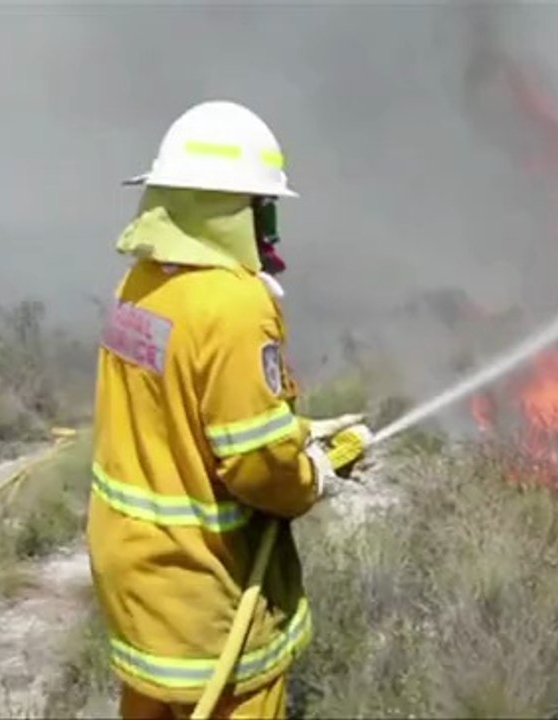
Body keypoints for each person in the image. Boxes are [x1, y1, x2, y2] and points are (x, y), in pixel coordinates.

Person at [86, 99, 371, 719]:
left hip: (134, 573)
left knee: (150, 703)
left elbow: (180, 411)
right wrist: (313, 476)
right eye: (261, 207)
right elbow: (258, 468)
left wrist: (297, 428)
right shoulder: (234, 305)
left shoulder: (140, 286)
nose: (268, 227)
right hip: (204, 587)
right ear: (231, 210)